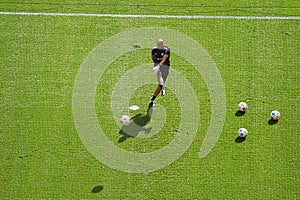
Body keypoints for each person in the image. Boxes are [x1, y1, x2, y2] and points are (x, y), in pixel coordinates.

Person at [148, 39, 170, 109]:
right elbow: (153, 57)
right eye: (158, 45)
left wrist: (159, 65)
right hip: (157, 66)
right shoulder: (154, 50)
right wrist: (155, 65)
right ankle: (163, 88)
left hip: (165, 66)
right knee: (159, 76)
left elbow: (164, 59)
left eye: (161, 45)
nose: (159, 46)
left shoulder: (167, 50)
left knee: (159, 85)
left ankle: (152, 100)